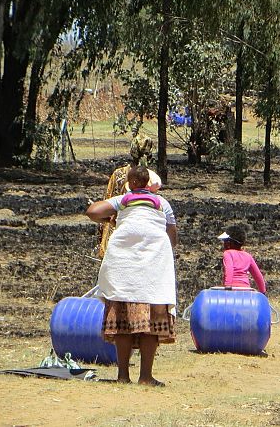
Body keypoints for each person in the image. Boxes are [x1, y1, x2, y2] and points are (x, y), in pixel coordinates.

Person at [85, 165, 177, 386]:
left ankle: (123, 376)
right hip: (153, 268)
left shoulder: (123, 199)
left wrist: (112, 219)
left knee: (122, 323)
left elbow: (93, 212)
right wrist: (163, 254)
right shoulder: (162, 203)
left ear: (132, 183)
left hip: (124, 268)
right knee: (151, 325)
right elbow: (171, 233)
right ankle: (145, 376)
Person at [96, 131, 162, 258]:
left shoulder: (119, 175)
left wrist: (100, 239)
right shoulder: (151, 179)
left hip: (115, 238)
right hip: (142, 243)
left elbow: (106, 204)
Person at [219, 225, 266, 293]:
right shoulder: (248, 256)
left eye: (224, 240)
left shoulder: (228, 253)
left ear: (228, 242)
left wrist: (228, 286)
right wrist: (263, 291)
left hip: (232, 289)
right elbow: (258, 276)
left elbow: (229, 269)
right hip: (246, 290)